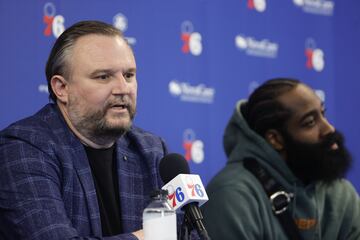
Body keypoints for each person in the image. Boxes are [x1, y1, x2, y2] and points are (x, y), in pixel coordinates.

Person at [0, 20, 167, 239]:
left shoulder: (152, 150)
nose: (123, 88)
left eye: (128, 75)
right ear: (62, 88)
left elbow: (188, 233)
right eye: (103, 76)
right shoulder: (23, 148)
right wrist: (149, 237)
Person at [202, 78, 360, 239]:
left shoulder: (341, 194)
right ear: (275, 139)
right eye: (310, 122)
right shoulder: (233, 196)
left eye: (323, 113)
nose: (329, 128)